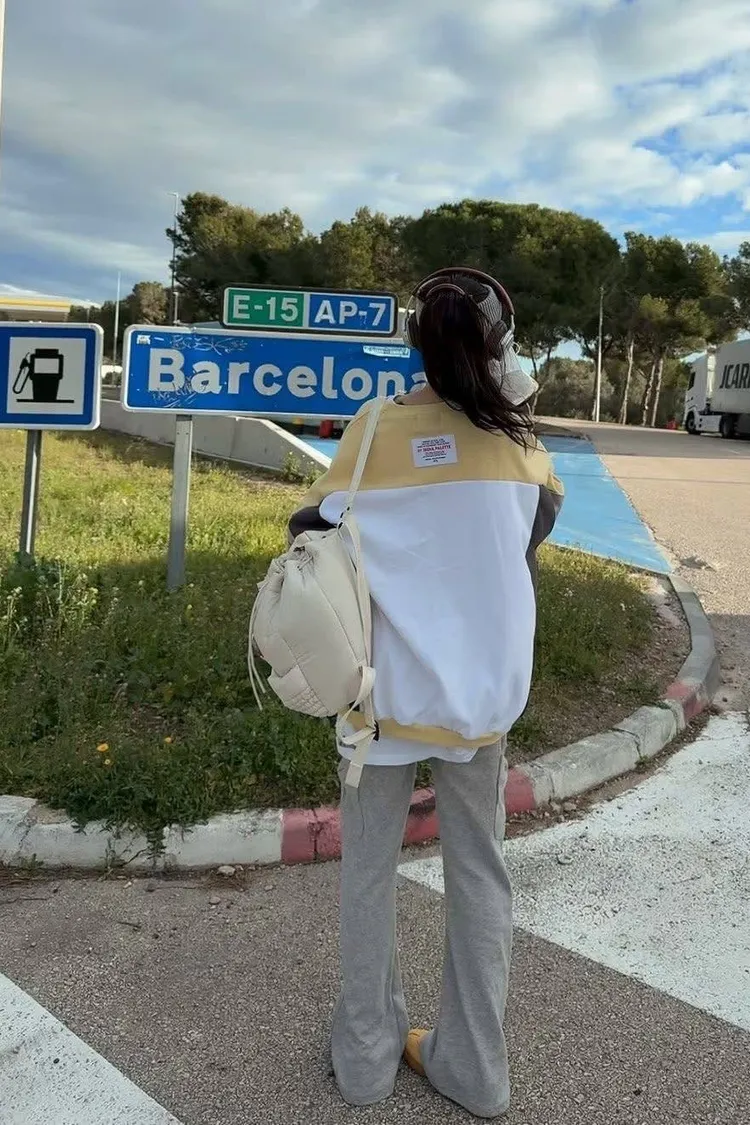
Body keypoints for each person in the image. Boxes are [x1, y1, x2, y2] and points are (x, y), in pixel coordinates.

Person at [288, 267, 564, 1118]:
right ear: (500, 346)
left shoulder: (371, 431)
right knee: (479, 873)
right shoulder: (518, 445)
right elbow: (537, 527)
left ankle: (366, 1061)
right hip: (479, 703)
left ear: (416, 342)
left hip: (378, 700)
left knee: (368, 872)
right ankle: (476, 1068)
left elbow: (310, 529)